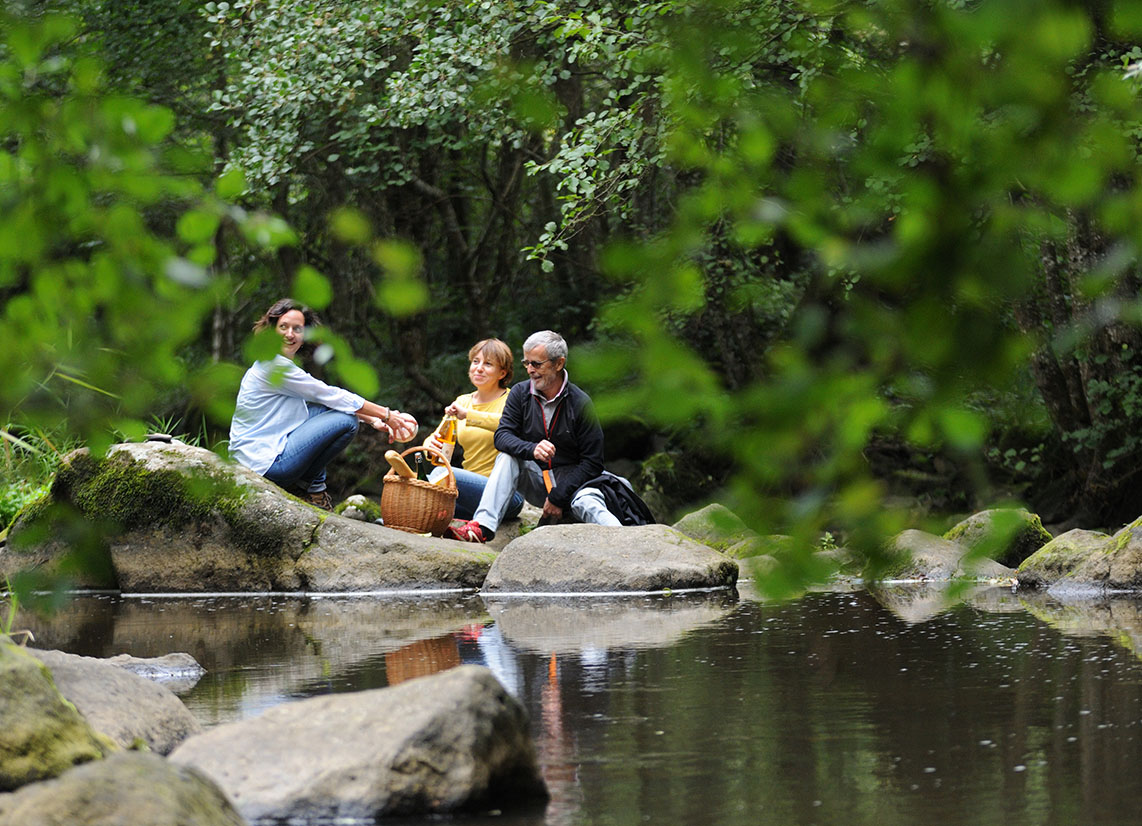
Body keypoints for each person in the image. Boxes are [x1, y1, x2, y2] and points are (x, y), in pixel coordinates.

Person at [448, 330, 652, 543]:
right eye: (526, 363)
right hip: (537, 481)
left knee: (587, 504)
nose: (529, 370)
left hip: (576, 486)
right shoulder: (520, 393)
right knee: (507, 456)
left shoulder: (580, 403)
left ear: (558, 363)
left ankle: (629, 543)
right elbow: (502, 436)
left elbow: (593, 462)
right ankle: (482, 528)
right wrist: (532, 449)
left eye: (536, 364)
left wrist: (558, 497)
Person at [228, 298, 418, 510]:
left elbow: (325, 400)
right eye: (283, 327)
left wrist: (374, 420)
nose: (290, 334)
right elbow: (329, 394)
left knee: (326, 410)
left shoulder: (279, 364)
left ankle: (309, 489)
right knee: (346, 421)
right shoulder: (274, 366)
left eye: (297, 329)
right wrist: (387, 415)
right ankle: (311, 490)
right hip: (264, 463)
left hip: (260, 454)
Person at [421, 338, 524, 522]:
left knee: (441, 475)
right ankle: (392, 523)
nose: (479, 368)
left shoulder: (512, 400)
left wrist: (469, 415)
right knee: (428, 499)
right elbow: (434, 437)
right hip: (469, 495)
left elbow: (509, 425)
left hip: (506, 496)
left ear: (502, 373)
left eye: (488, 364)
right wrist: (431, 446)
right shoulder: (462, 401)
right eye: (476, 362)